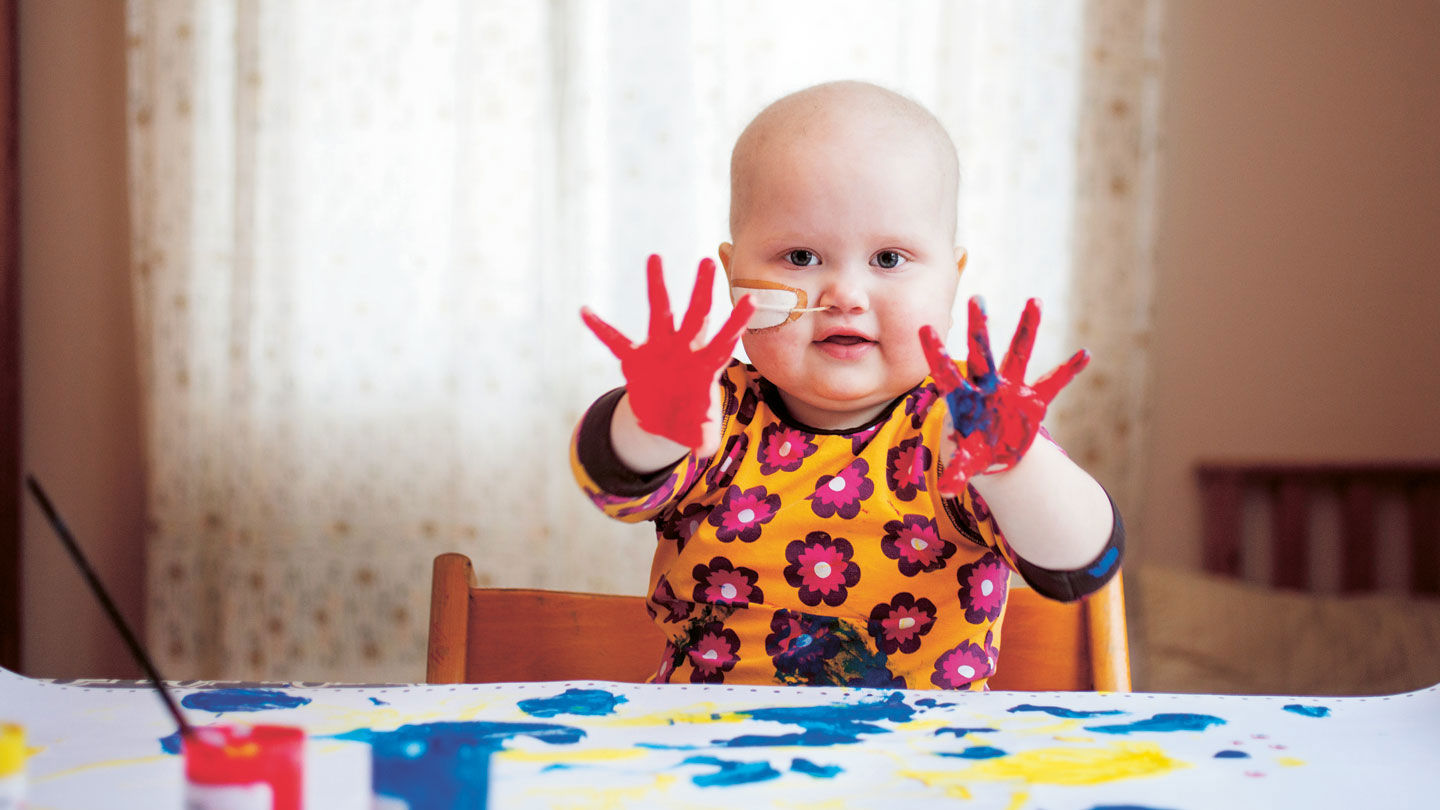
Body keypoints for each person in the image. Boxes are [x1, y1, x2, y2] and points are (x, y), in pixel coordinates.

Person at [570, 80, 1122, 689]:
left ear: (951, 279)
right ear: (734, 276)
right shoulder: (715, 411)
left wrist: (1014, 468)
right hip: (711, 759)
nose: (846, 297)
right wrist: (652, 424)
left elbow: (1079, 562)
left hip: (917, 763)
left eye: (888, 259)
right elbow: (613, 485)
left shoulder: (964, 430)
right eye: (801, 257)